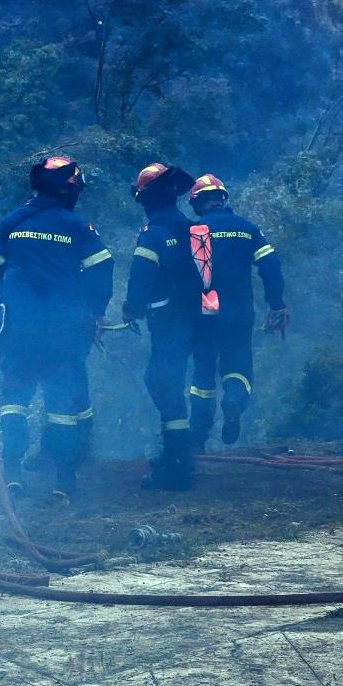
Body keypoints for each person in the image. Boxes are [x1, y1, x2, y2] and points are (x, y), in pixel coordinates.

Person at [0, 155, 114, 501]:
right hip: (63, 333)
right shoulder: (77, 227)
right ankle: (64, 483)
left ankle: (11, 475)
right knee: (61, 406)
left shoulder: (11, 222)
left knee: (14, 399)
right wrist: (95, 312)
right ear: (68, 190)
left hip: (17, 331)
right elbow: (103, 268)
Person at [185, 173, 288, 449]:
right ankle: (232, 400)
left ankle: (197, 437)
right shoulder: (248, 229)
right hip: (241, 310)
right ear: (223, 198)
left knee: (203, 373)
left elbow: (183, 277)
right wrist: (276, 304)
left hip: (206, 310)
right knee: (238, 366)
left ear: (198, 204)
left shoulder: (195, 231)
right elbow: (271, 266)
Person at [123, 161, 199, 490]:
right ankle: (179, 458)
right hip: (196, 321)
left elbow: (141, 276)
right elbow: (207, 279)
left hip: (167, 322)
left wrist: (131, 309)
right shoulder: (194, 230)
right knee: (172, 382)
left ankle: (177, 465)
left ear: (147, 200)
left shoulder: (153, 234)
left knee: (161, 382)